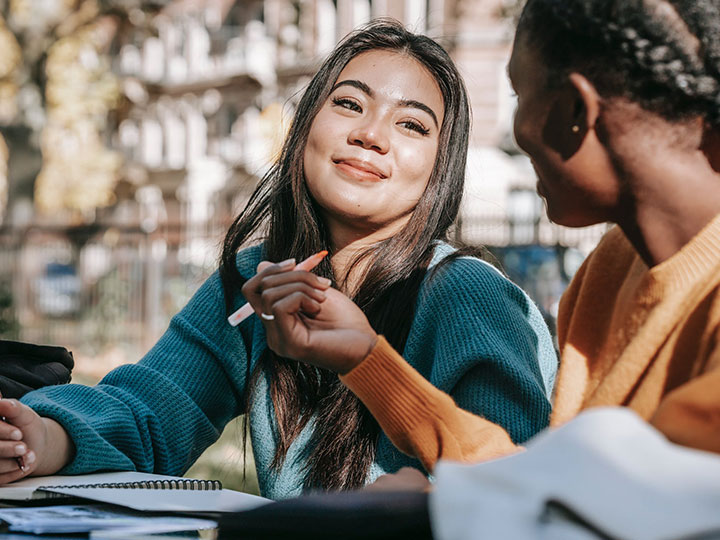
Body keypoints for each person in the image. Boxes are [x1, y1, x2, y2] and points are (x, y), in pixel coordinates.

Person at [0, 20, 557, 499]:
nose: (370, 134)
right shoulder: (257, 279)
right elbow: (153, 410)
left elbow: (510, 486)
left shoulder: (467, 293)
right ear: (306, 127)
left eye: (411, 124)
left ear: (441, 167)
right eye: (349, 104)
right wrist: (43, 437)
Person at [243, 0, 720, 479]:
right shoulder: (609, 271)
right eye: (347, 104)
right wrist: (367, 360)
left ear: (576, 110)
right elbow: (549, 484)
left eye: (517, 94)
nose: (512, 128)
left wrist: (432, 512)